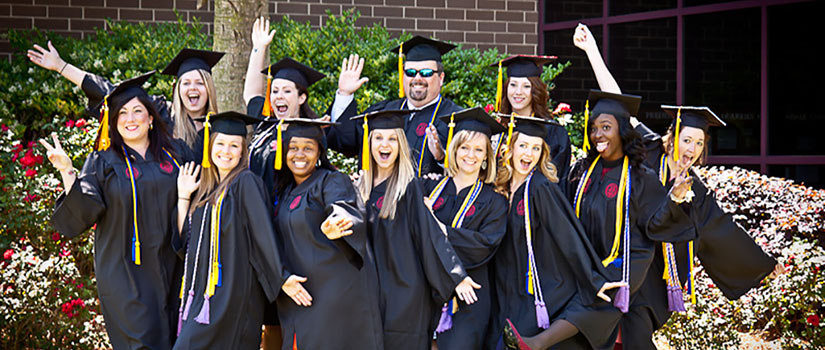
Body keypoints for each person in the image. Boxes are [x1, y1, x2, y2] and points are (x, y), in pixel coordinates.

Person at [574, 23, 784, 349]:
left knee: (632, 334)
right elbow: (617, 102)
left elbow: (721, 229)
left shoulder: (694, 189)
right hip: (623, 257)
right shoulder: (647, 147)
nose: (692, 148)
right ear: (673, 136)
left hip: (657, 276)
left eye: (699, 144)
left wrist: (764, 266)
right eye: (687, 139)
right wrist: (592, 51)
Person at [43, 72, 192, 349]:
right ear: (113, 122)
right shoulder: (104, 162)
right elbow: (85, 207)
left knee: (176, 339)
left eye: (138, 111)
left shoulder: (176, 155)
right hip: (125, 273)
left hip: (172, 268)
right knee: (141, 341)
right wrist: (67, 171)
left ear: (150, 118)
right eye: (122, 113)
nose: (130, 119)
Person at [172, 111, 309, 349]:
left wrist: (281, 277)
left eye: (234, 145)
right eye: (221, 144)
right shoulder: (205, 190)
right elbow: (186, 243)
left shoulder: (246, 183)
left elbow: (263, 235)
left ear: (243, 151)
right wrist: (184, 197)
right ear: (210, 146)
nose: (226, 151)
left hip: (232, 294)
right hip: (202, 296)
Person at [490, 115, 623, 350]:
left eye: (536, 148)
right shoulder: (501, 185)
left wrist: (593, 280)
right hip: (505, 287)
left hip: (537, 284)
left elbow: (568, 236)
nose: (528, 154)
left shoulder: (540, 187)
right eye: (523, 145)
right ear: (511, 147)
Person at [352, 109, 481, 350]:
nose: (385, 145)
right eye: (378, 138)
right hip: (369, 292)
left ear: (401, 144)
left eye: (392, 139)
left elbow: (429, 235)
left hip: (403, 292)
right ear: (369, 143)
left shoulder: (407, 187)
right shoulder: (359, 189)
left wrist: (456, 276)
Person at [270, 118, 383, 349]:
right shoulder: (285, 189)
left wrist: (336, 224)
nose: (299, 154)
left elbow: (343, 207)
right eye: (293, 148)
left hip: (332, 296)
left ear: (319, 152)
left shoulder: (331, 181)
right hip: (299, 293)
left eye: (308, 148)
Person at [419, 107, 508, 349]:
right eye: (464, 147)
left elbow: (485, 245)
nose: (471, 155)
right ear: (454, 150)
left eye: (479, 149)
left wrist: (440, 229)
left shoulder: (494, 202)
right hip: (424, 293)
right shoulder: (427, 189)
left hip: (469, 298)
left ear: (487, 156)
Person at [27, 43, 223, 151]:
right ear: (177, 88)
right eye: (186, 83)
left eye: (199, 83)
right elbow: (111, 92)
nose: (192, 88)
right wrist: (61, 66)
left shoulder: (220, 127)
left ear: (209, 88)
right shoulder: (162, 112)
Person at [327, 35, 465, 176]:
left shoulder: (456, 120)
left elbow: (468, 170)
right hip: (378, 197)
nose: (417, 79)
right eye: (410, 72)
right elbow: (344, 142)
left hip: (428, 197)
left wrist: (442, 157)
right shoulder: (383, 112)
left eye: (426, 73)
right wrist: (344, 94)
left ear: (441, 78)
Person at [243, 17, 326, 196]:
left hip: (290, 213)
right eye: (275, 91)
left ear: (301, 97)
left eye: (287, 91)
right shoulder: (265, 124)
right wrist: (259, 49)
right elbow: (251, 93)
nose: (279, 96)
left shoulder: (311, 131)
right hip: (256, 209)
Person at [491, 55, 573, 177]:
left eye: (526, 86)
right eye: (513, 85)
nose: (518, 92)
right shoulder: (498, 129)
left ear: (535, 90)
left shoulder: (553, 132)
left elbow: (556, 179)